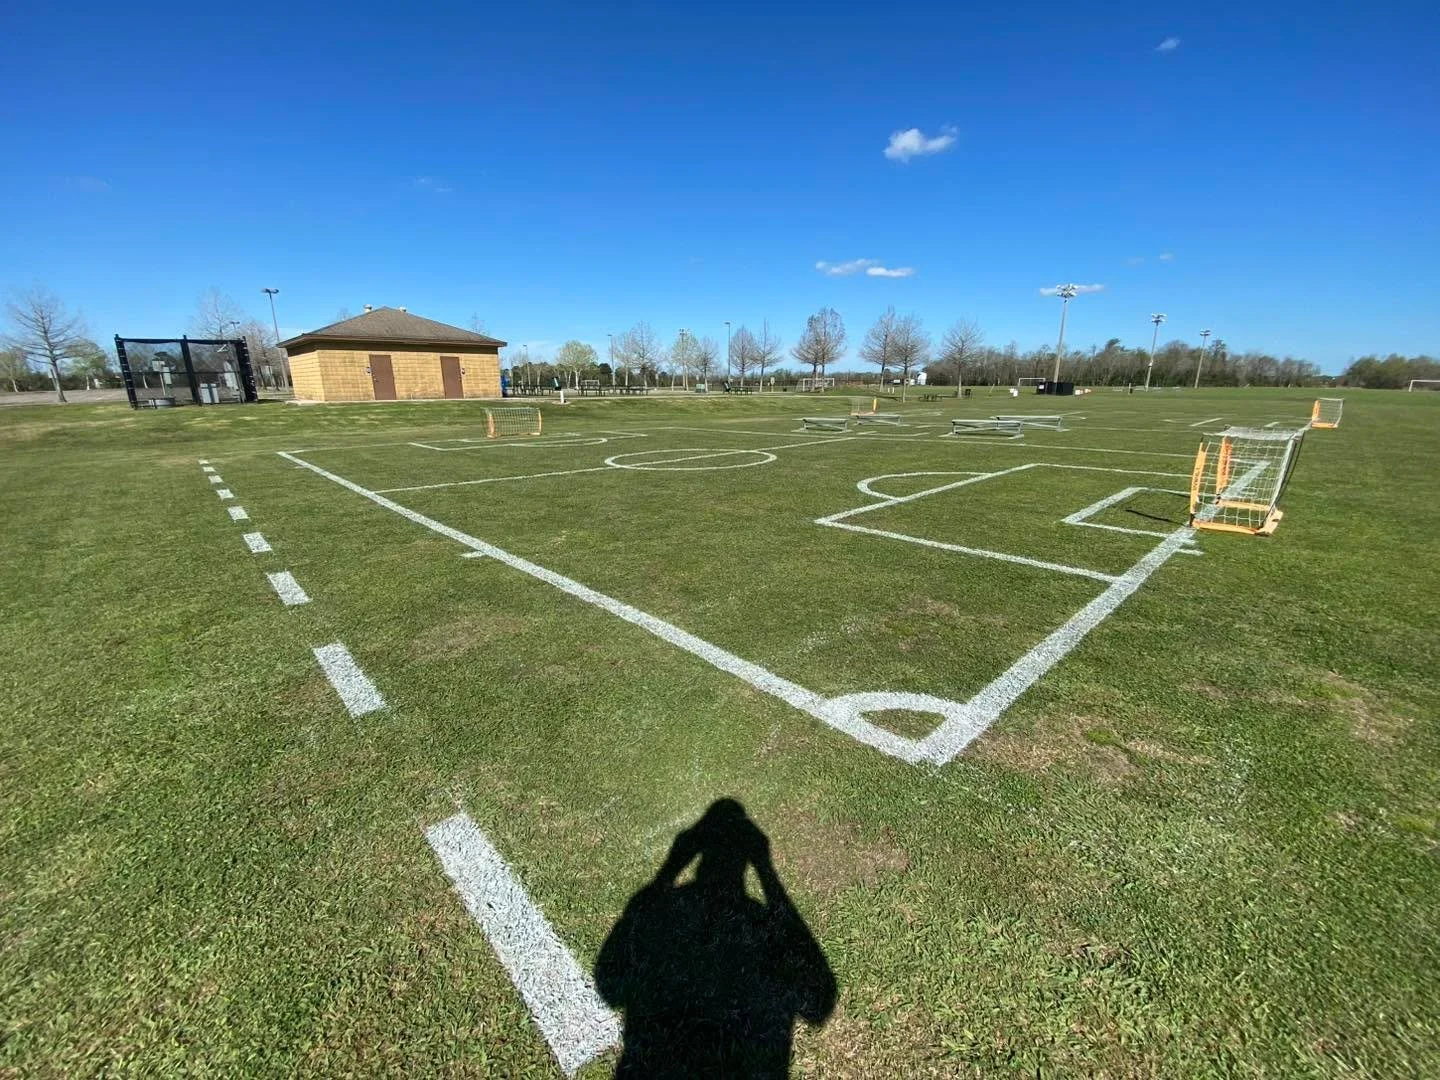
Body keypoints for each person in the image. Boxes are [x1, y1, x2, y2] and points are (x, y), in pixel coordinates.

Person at [596, 799, 836, 1078]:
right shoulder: (755, 917)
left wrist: (670, 868)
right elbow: (819, 1002)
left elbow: (609, 984)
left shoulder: (668, 909)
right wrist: (766, 869)